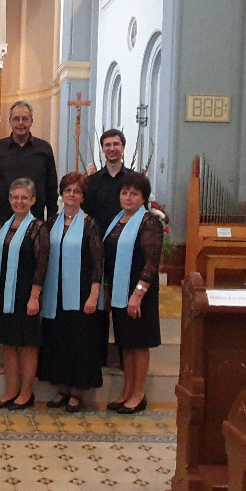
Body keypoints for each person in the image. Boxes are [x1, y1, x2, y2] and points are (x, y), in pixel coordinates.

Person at [37, 172, 104, 413]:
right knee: (58, 340)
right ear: (62, 194)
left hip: (81, 293)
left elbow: (97, 262)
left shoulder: (90, 224)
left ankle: (77, 392)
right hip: (55, 293)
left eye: (77, 191)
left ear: (83, 197)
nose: (72, 195)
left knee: (79, 342)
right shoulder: (51, 223)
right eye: (68, 190)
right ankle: (62, 388)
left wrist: (94, 295)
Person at [101, 172, 163, 414]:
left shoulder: (149, 223)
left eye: (134, 193)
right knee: (125, 344)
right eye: (124, 192)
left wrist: (138, 294)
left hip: (139, 293)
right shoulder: (117, 220)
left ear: (143, 198)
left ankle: (139, 394)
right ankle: (127, 391)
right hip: (120, 291)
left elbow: (151, 263)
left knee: (139, 344)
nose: (128, 197)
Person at [0, 178, 49, 411]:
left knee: (27, 345)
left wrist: (34, 297)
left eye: (24, 197)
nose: (19, 201)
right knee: (9, 344)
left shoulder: (38, 228)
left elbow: (42, 266)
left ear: (33, 200)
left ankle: (26, 393)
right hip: (4, 294)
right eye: (15, 197)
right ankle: (11, 390)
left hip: (26, 295)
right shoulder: (5, 225)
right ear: (9, 199)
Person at [83, 128, 138, 367]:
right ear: (103, 149)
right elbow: (87, 216)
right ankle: (100, 357)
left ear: (123, 147)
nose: (112, 148)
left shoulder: (133, 180)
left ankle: (126, 358)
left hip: (127, 252)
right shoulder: (93, 182)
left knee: (124, 306)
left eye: (116, 144)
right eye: (107, 145)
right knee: (99, 307)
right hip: (99, 252)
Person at [0, 100, 58, 230]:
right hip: (1, 220)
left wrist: (51, 221)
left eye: (25, 119)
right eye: (16, 119)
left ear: (31, 121)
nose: (20, 123)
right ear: (10, 121)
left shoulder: (44, 149)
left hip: (35, 222)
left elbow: (51, 188)